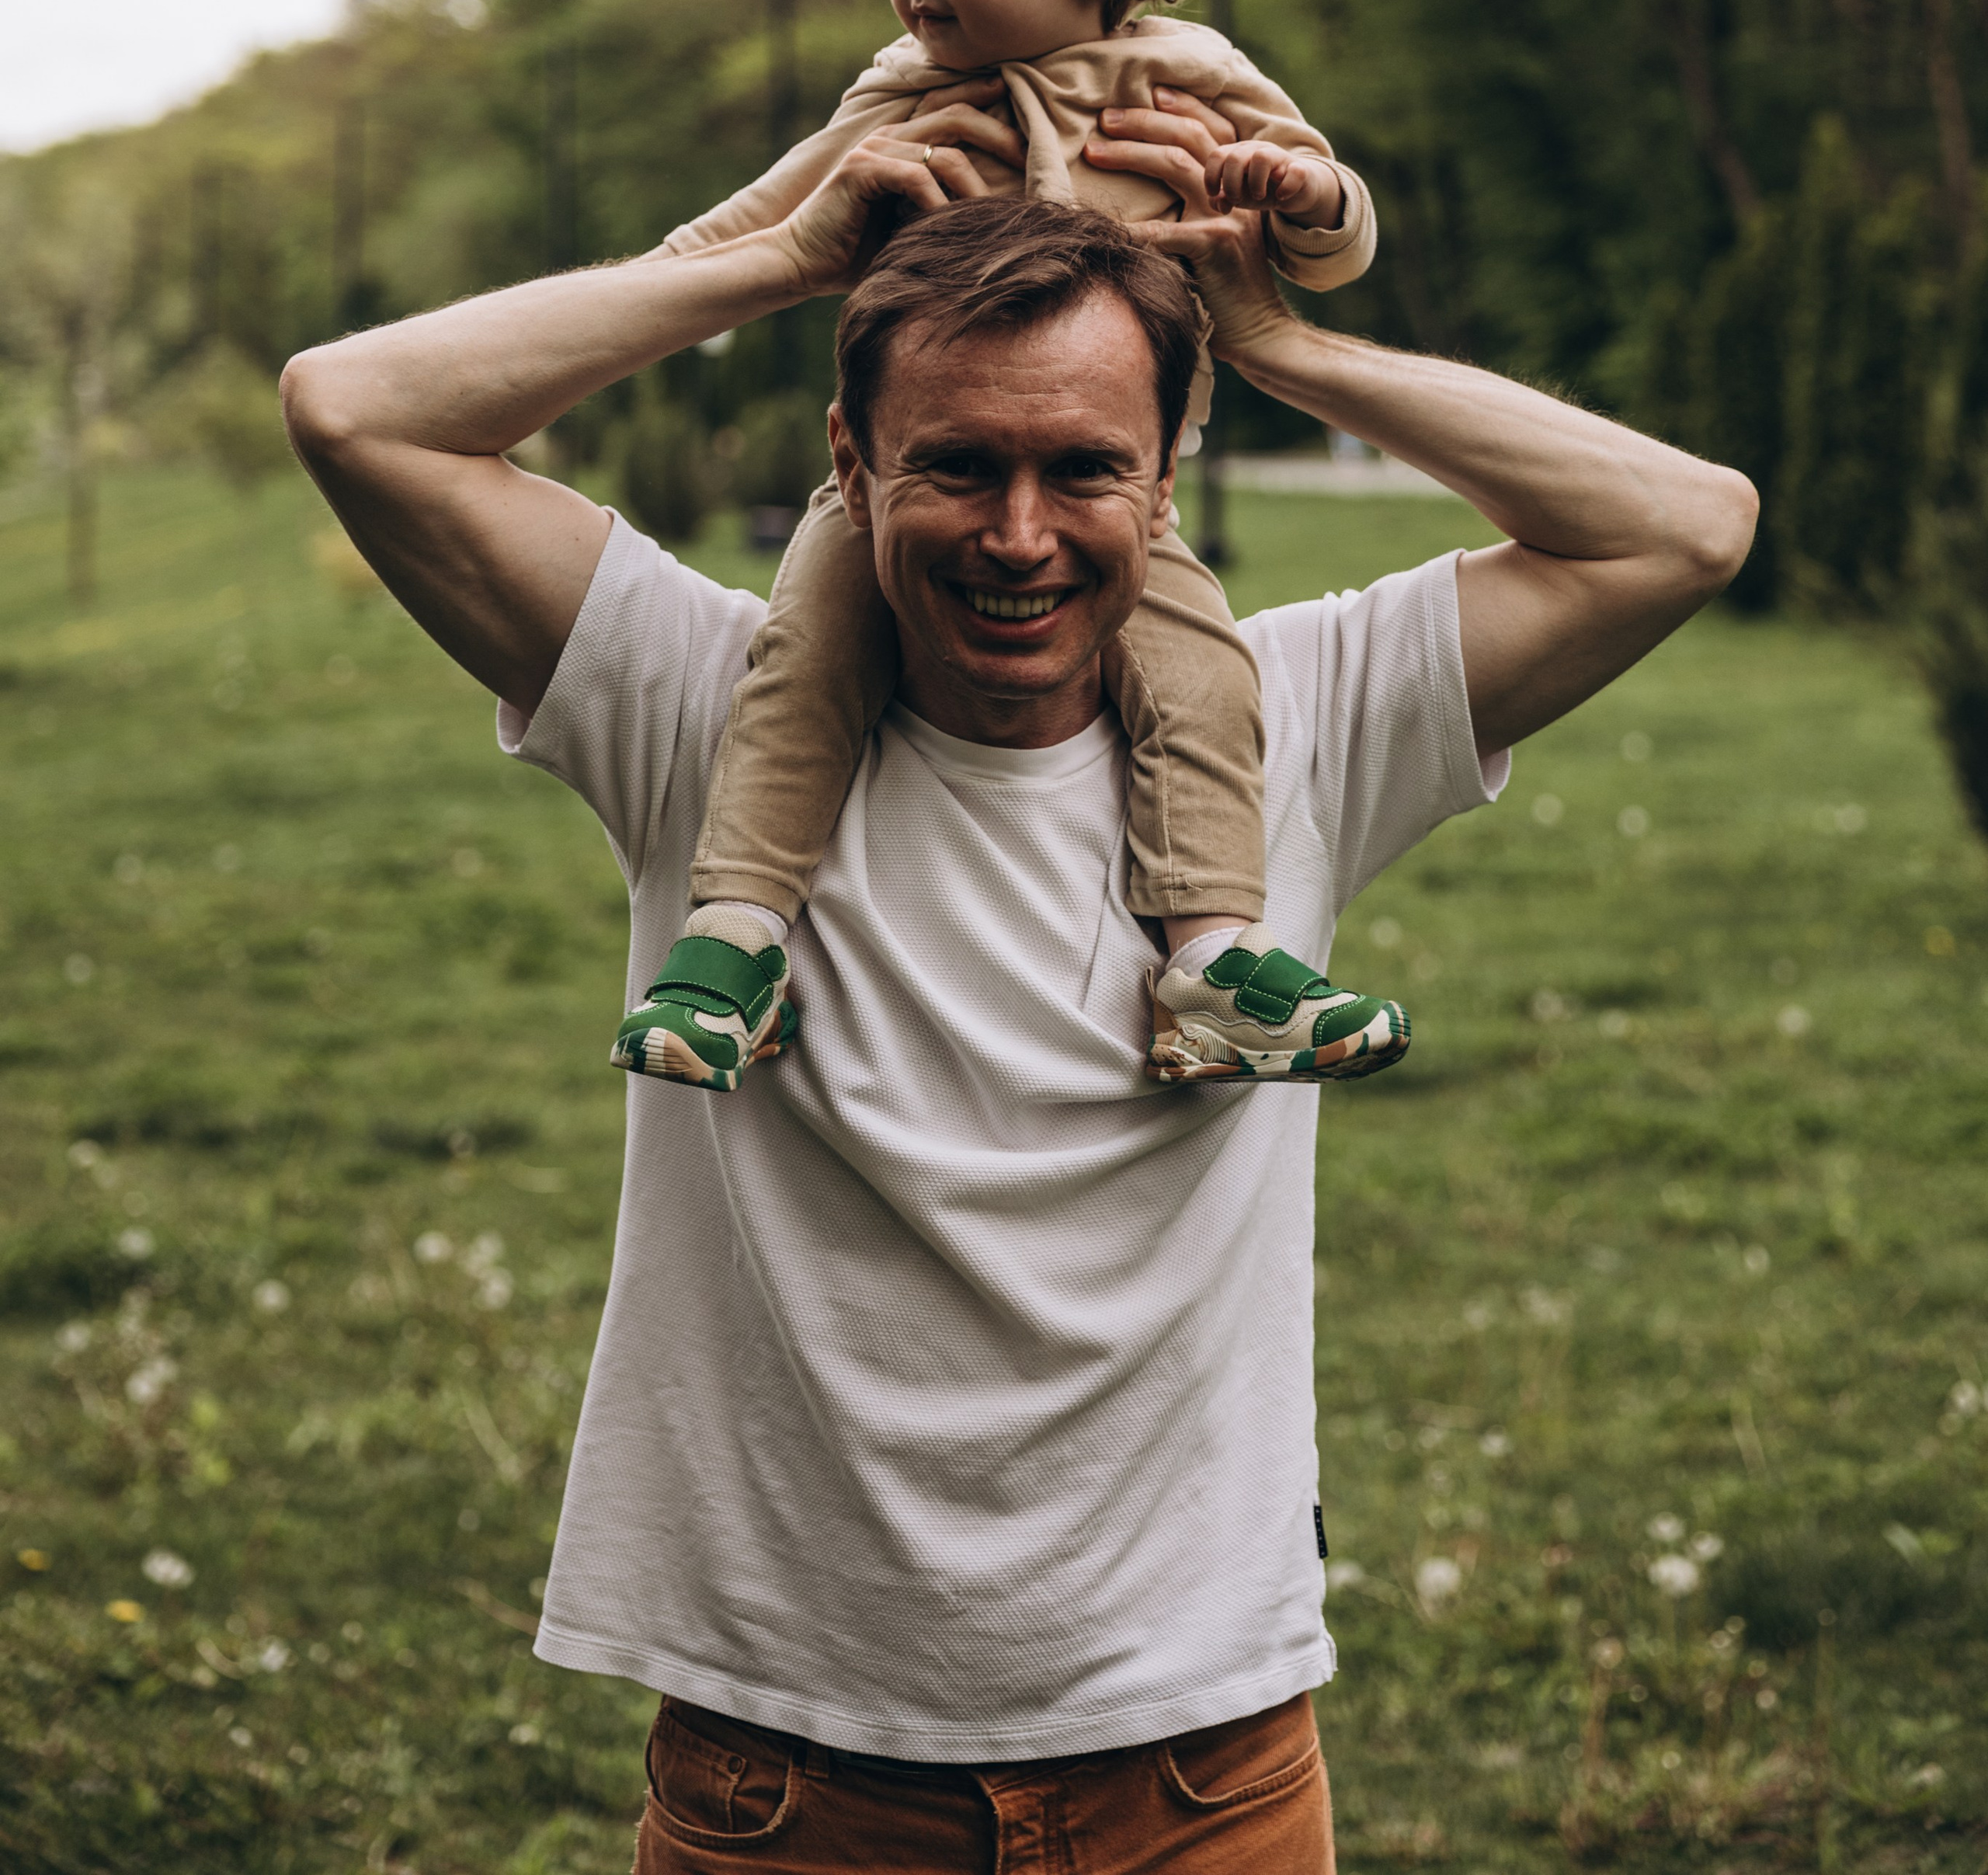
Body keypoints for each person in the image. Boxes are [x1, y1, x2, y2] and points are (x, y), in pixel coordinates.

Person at [280, 108, 1755, 1873]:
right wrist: (772, 256)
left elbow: (1685, 526)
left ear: (1166, 471)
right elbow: (353, 410)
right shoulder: (703, 707)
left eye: (1084, 469)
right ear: (850, 463)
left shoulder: (1286, 720)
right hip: (791, 1784)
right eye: (959, 466)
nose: (1020, 536)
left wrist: (1284, 346)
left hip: (1202, 1780)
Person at [625, 0, 1406, 1101]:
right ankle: (736, 935)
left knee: (1204, 682)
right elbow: (746, 231)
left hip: (1117, 498)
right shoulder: (902, 101)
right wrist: (686, 281)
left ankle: (1214, 957)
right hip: (905, 486)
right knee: (803, 660)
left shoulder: (1192, 79)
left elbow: (1335, 238)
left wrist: (1300, 192)